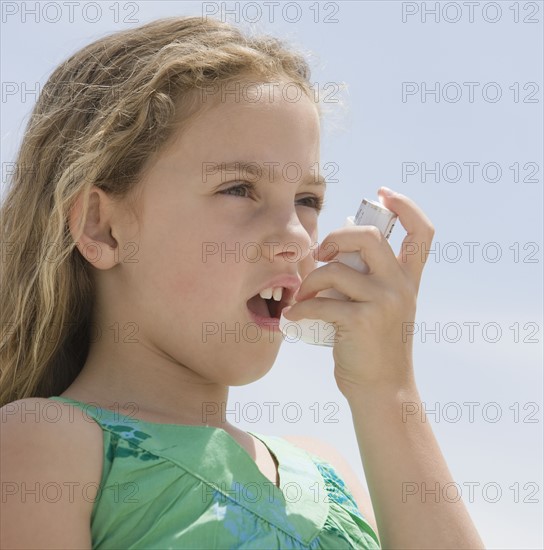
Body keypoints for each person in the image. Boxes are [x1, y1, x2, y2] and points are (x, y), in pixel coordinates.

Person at [0, 16, 485, 549]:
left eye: (308, 201)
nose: (296, 239)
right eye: (238, 188)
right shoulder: (44, 443)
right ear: (104, 227)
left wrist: (387, 389)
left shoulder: (329, 475)